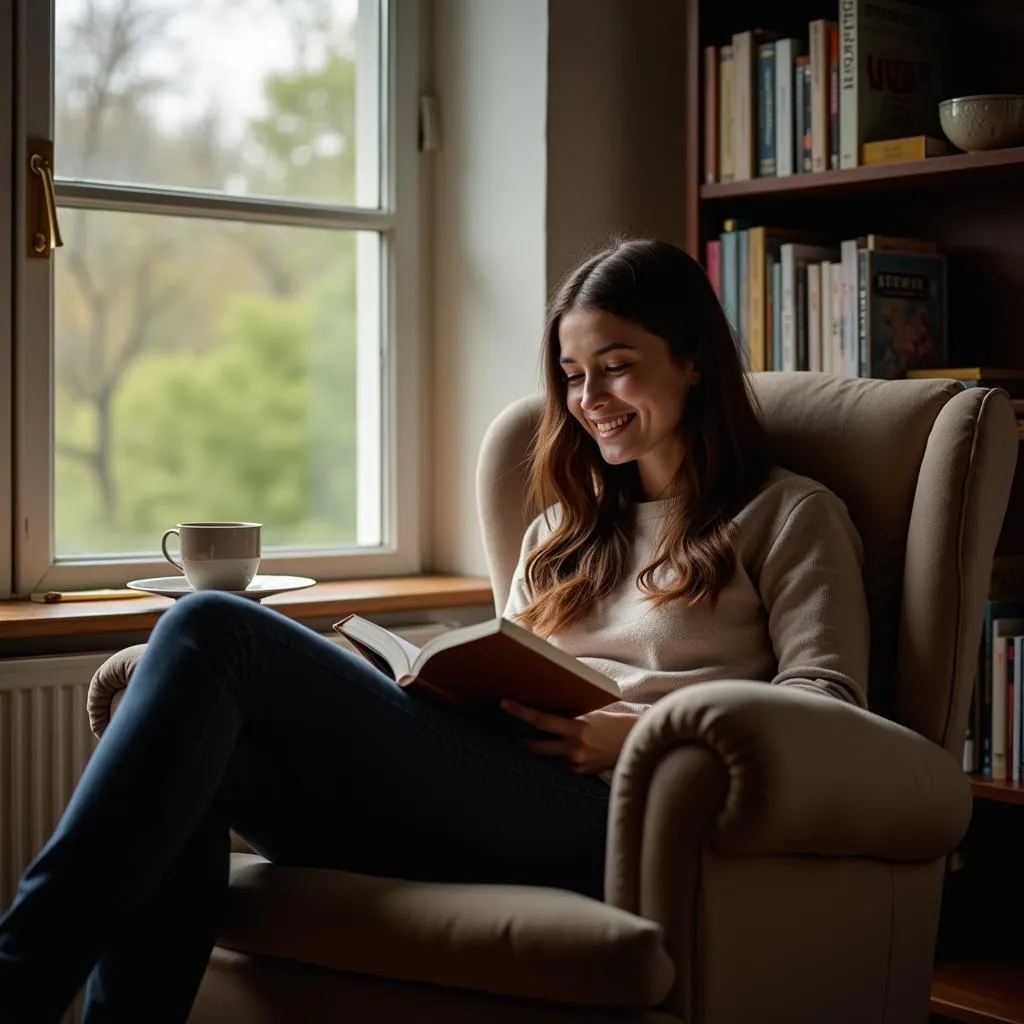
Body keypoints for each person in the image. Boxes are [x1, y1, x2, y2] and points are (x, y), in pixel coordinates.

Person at [0, 237, 869, 1023]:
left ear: (692, 361)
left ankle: (16, 979)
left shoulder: (787, 516)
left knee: (212, 626)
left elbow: (829, 704)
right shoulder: (560, 535)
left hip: (607, 813)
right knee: (192, 740)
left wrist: (637, 733)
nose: (588, 399)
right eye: (571, 375)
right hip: (475, 793)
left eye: (615, 366)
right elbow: (506, 664)